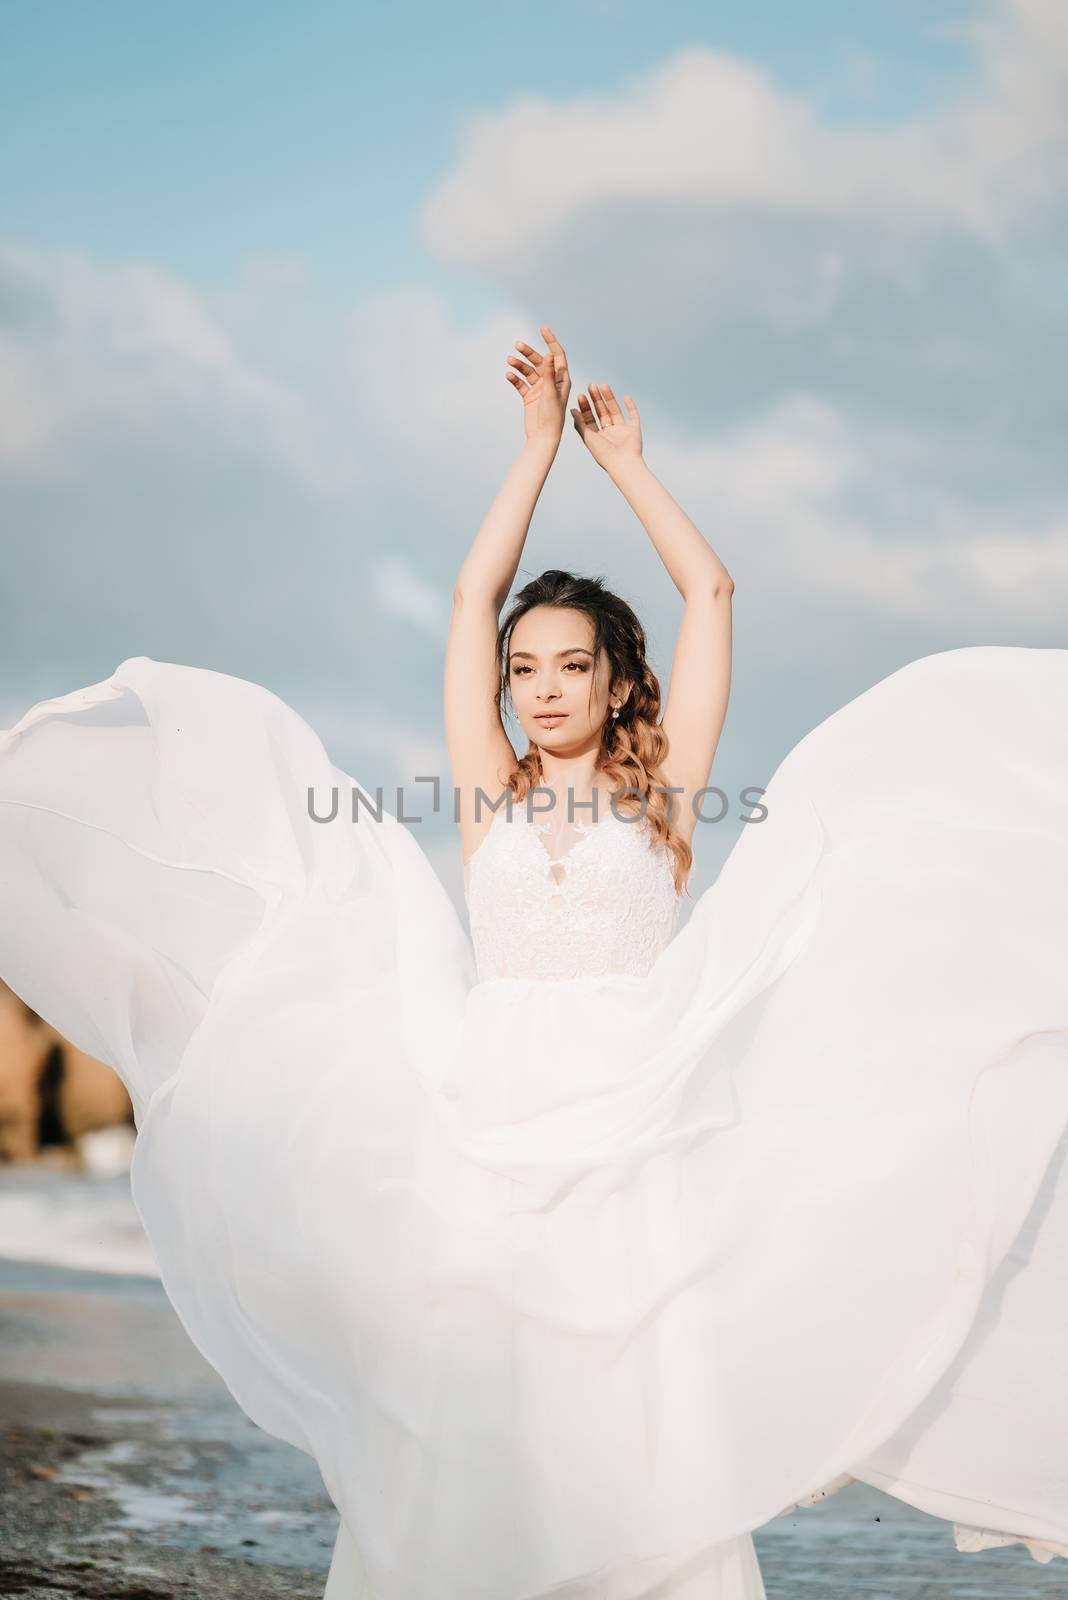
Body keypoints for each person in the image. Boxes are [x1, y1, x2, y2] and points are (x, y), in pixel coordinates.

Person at [0, 326, 1066, 1600]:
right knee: (470, 1402)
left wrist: (626, 468)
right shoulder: (486, 797)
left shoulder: (666, 805)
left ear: (620, 686)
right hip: (483, 1123)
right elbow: (465, 598)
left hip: (639, 1124)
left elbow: (713, 595)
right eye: (524, 668)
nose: (541, 687)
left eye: (571, 666)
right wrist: (534, 451)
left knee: (631, 1408)